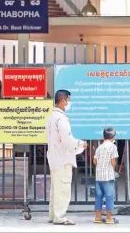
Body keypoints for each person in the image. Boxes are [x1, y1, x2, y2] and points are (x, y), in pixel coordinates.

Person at [45, 90, 87, 225]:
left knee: (55, 188)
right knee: (63, 188)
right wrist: (80, 144)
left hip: (54, 157)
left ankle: (53, 215)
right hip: (62, 158)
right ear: (62, 101)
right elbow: (67, 140)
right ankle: (59, 216)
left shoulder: (51, 117)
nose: (69, 103)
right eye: (68, 100)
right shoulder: (61, 119)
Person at [93, 127, 119, 224]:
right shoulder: (113, 147)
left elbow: (94, 161)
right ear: (113, 137)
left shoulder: (99, 147)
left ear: (103, 137)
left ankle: (98, 217)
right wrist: (113, 168)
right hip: (108, 177)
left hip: (98, 177)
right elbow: (113, 161)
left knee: (98, 197)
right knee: (109, 197)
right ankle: (109, 218)